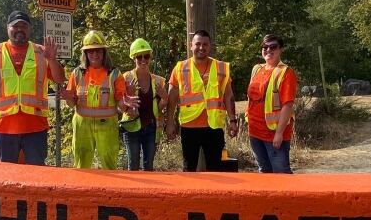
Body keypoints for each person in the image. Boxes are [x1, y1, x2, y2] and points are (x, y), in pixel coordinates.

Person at [0, 11, 65, 165]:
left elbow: (60, 78)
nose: (20, 29)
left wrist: (52, 60)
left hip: (35, 127)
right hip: (4, 128)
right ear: (8, 28)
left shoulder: (42, 52)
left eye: (24, 26)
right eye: (15, 26)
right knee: (7, 177)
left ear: (30, 29)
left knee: (36, 176)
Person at [61, 30, 138, 169]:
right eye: (91, 51)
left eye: (98, 51)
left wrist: (125, 103)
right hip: (82, 126)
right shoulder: (77, 73)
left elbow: (121, 102)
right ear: (85, 53)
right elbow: (72, 104)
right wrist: (68, 98)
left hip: (107, 126)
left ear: (104, 52)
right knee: (81, 164)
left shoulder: (114, 74)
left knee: (109, 164)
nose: (95, 54)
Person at [166, 30, 238, 172]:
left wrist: (233, 121)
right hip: (189, 126)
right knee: (189, 169)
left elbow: (228, 96)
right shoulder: (180, 68)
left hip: (214, 127)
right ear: (191, 45)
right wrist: (169, 123)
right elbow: (172, 97)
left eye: (205, 44)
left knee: (215, 169)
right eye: (198, 44)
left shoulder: (221, 68)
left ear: (210, 46)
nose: (201, 47)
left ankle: (214, 194)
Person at [246, 34, 297, 173]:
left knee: (281, 173)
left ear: (281, 49)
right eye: (265, 47)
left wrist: (279, 133)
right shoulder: (257, 69)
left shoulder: (286, 73)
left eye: (273, 47)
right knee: (264, 172)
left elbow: (288, 105)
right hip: (255, 131)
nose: (268, 50)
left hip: (274, 134)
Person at [119, 38, 168, 171]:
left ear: (150, 57)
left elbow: (158, 108)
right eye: (139, 57)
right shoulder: (125, 78)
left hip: (150, 128)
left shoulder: (158, 81)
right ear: (133, 58)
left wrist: (164, 98)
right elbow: (121, 107)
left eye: (146, 56)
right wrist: (128, 94)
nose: (143, 60)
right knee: (133, 165)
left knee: (149, 167)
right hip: (131, 128)